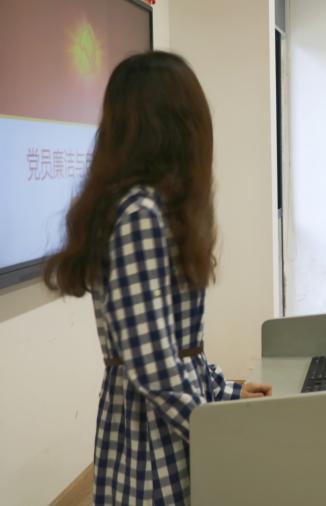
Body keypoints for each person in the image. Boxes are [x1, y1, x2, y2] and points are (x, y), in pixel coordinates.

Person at [43, 51, 273, 504]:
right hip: (153, 436)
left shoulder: (142, 208)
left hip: (157, 421)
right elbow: (155, 370)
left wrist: (226, 392)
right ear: (177, 127)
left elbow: (179, 351)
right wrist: (218, 431)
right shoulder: (141, 215)